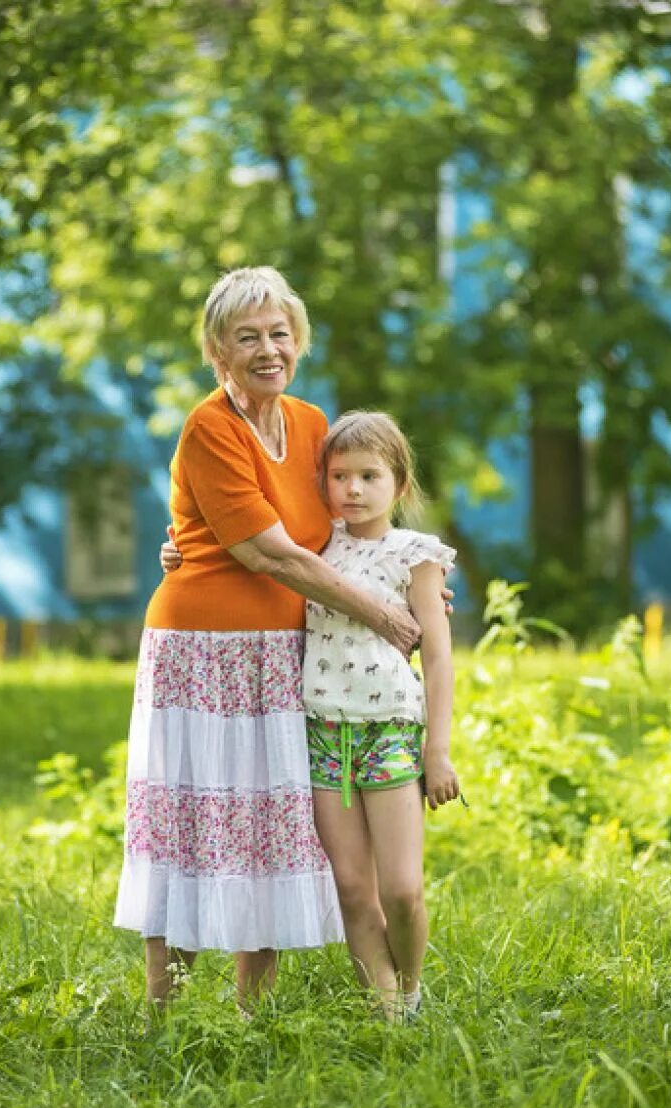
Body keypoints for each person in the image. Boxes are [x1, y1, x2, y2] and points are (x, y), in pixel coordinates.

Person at [114, 266, 426, 1011]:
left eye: (279, 333)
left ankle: (252, 1013)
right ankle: (166, 1012)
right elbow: (269, 551)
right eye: (246, 336)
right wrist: (382, 614)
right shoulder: (208, 428)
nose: (267, 349)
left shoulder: (315, 426)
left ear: (299, 341)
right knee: (191, 823)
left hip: (286, 655)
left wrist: (416, 580)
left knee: (268, 821)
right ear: (217, 351)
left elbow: (354, 524)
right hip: (202, 655)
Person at [303, 410, 459, 1022]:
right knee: (352, 889)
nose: (353, 490)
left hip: (391, 730)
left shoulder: (415, 556)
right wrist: (177, 552)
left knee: (400, 888)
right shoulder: (312, 548)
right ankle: (388, 1014)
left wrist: (437, 750)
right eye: (340, 476)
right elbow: (248, 554)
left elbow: (440, 656)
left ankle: (411, 990)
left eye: (370, 476)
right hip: (322, 732)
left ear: (399, 481)